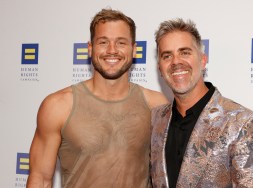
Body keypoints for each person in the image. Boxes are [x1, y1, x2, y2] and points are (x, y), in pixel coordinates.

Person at [27, 8, 168, 188]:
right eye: (103, 42)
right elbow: (40, 179)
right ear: (90, 48)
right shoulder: (57, 106)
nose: (112, 50)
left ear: (134, 50)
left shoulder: (157, 105)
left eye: (121, 43)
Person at [150, 18, 253, 187]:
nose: (176, 62)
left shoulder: (244, 124)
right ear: (160, 68)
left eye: (185, 52)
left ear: (203, 60)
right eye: (167, 55)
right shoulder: (156, 119)